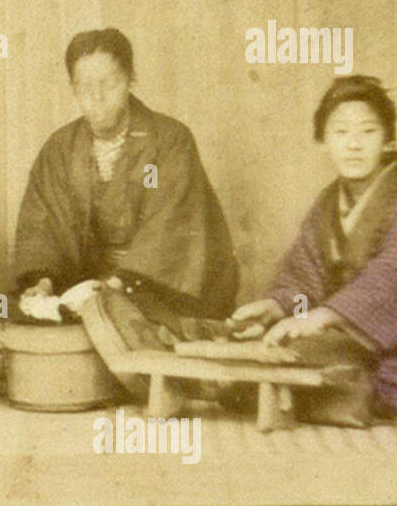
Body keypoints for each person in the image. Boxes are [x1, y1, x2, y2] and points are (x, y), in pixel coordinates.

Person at [229, 76, 397, 423]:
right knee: (263, 356)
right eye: (340, 133)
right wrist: (275, 306)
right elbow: (305, 273)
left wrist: (321, 317)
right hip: (356, 336)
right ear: (323, 142)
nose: (354, 145)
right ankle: (329, 394)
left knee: (278, 363)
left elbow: (390, 277)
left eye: (367, 131)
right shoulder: (329, 202)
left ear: (388, 139)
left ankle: (342, 396)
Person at [14, 28, 238, 327]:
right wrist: (44, 283)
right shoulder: (60, 149)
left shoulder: (170, 140)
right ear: (72, 87)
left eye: (108, 83)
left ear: (130, 79)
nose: (96, 97)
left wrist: (116, 287)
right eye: (83, 86)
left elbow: (170, 227)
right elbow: (42, 227)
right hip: (88, 286)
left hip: (163, 285)